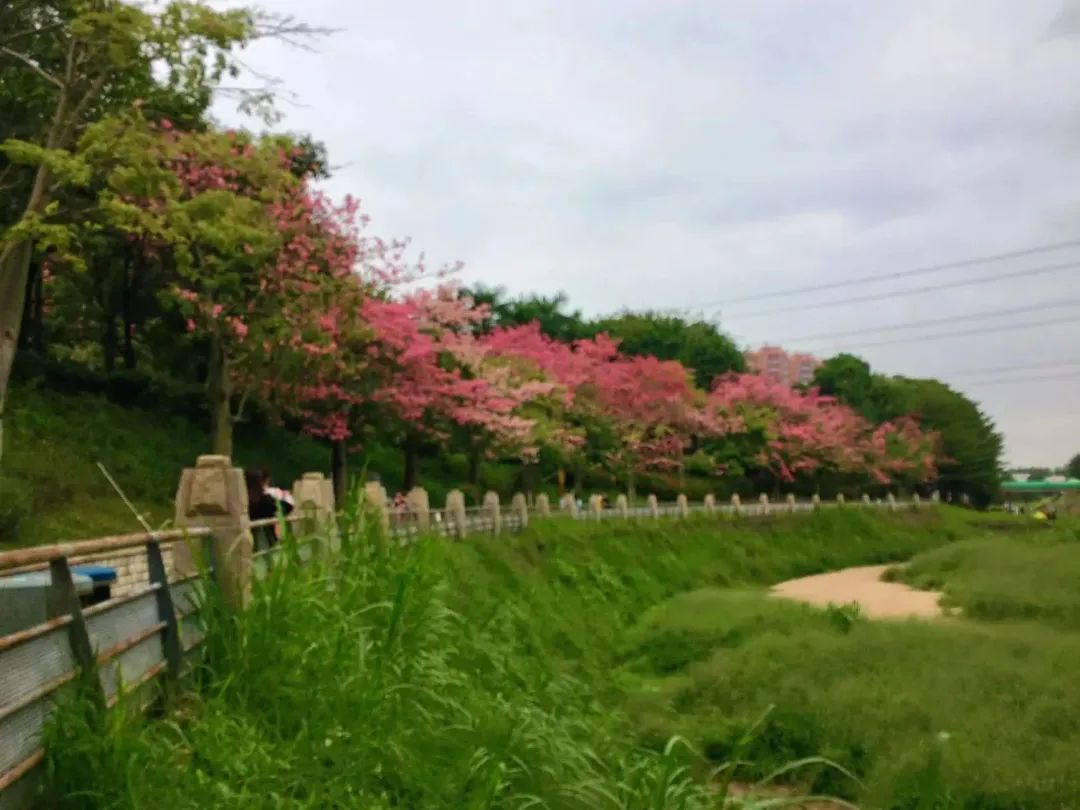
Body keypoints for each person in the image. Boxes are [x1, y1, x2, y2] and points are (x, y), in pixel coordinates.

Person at [246, 467, 294, 551]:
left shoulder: (242, 499)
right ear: (263, 482)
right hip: (265, 538)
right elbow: (288, 507)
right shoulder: (265, 500)